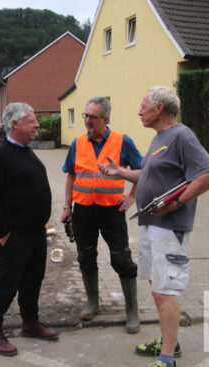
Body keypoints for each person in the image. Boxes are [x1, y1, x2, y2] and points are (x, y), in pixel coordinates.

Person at [98, 86, 209, 367]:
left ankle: (167, 358)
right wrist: (120, 172)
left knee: (166, 292)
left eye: (143, 106)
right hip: (153, 223)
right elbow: (149, 173)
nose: (139, 111)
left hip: (170, 227)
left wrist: (177, 203)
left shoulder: (181, 136)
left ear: (159, 109)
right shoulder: (160, 138)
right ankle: (170, 343)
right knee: (158, 288)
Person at [0, 102, 58, 357]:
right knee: (6, 284)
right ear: (15, 124)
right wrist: (3, 234)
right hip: (13, 235)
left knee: (32, 281)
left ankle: (30, 322)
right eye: (32, 121)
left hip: (35, 232)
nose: (38, 125)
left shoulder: (26, 151)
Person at [60, 97, 143, 333]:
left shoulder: (122, 141)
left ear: (106, 119)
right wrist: (67, 207)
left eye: (92, 117)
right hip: (84, 210)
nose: (87, 121)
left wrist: (133, 196)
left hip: (111, 211)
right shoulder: (77, 143)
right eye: (85, 116)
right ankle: (93, 302)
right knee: (85, 256)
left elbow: (141, 169)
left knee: (122, 259)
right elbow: (71, 175)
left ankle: (132, 311)